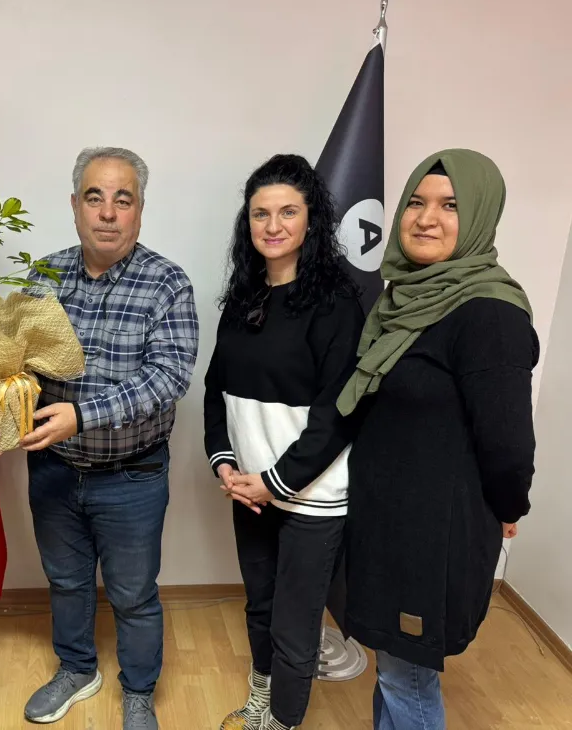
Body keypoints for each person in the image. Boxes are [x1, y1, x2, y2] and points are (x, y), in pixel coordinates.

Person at [336, 149, 537, 730]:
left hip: (431, 538)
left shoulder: (489, 314)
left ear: (480, 217)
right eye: (416, 203)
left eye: (450, 206)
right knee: (394, 666)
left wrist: (509, 506)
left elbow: (508, 441)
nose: (426, 219)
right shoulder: (406, 300)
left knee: (408, 678)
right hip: (388, 524)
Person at [19, 146, 199, 730]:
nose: (107, 212)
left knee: (133, 593)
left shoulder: (167, 283)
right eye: (94, 197)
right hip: (53, 469)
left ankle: (139, 691)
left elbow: (168, 378)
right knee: (66, 582)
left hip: (132, 477)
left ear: (140, 209)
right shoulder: (42, 277)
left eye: (123, 199)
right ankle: (77, 669)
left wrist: (82, 415)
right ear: (75, 205)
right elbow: (20, 363)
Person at [203, 154, 364, 730]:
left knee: (296, 625)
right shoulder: (243, 299)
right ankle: (262, 701)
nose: (272, 226)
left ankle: (284, 721)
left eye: (288, 212)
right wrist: (225, 464)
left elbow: (338, 416)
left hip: (310, 499)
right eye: (260, 214)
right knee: (261, 607)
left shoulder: (338, 305)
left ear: (312, 220)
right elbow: (215, 390)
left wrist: (275, 483)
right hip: (250, 491)